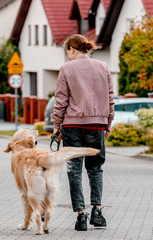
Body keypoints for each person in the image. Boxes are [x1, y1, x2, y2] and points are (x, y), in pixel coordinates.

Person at [52, 34, 115, 231]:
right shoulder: (103, 67)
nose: (68, 56)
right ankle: (97, 211)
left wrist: (57, 126)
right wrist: (108, 122)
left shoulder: (66, 69)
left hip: (72, 127)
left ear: (72, 49)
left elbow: (61, 100)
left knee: (74, 171)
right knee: (96, 169)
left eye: (67, 52)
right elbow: (110, 97)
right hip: (97, 125)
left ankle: (81, 215)